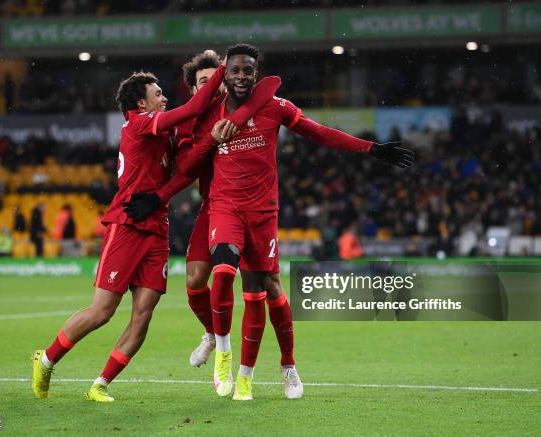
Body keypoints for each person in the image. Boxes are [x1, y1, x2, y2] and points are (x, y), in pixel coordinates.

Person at [177, 43, 414, 401]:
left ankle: (287, 366)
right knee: (222, 272)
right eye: (235, 70)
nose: (241, 76)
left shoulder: (276, 107)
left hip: (262, 213)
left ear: (255, 74)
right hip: (225, 208)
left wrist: (369, 148)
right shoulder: (211, 114)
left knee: (264, 291)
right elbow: (187, 162)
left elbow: (319, 132)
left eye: (248, 71)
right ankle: (222, 352)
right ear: (225, 74)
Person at [31, 58, 273, 403]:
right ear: (141, 103)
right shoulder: (139, 124)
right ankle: (47, 359)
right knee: (102, 311)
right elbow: (193, 106)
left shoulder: (163, 134)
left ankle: (100, 384)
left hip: (157, 227)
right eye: (158, 94)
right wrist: (224, 65)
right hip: (127, 224)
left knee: (143, 314)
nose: (164, 98)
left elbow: (186, 165)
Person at [124, 51, 282, 369]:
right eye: (203, 82)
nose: (212, 85)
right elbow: (185, 169)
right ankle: (212, 334)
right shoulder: (189, 124)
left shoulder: (242, 110)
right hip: (213, 207)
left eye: (216, 79)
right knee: (196, 280)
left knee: (265, 286)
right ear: (195, 90)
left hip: (252, 208)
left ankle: (286, 364)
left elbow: (269, 92)